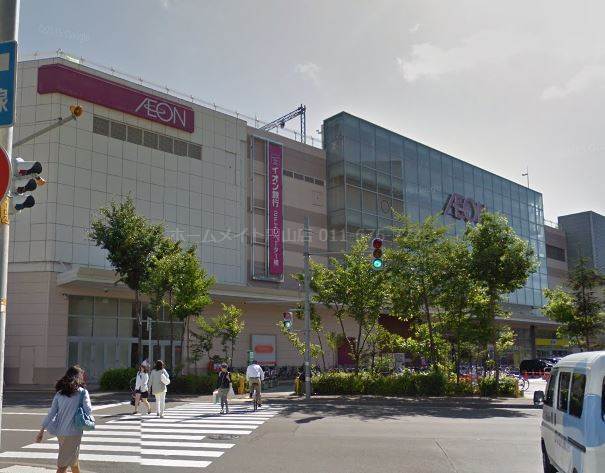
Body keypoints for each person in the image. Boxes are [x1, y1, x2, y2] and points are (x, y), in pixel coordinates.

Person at [36, 365, 92, 473]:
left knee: (74, 462)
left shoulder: (59, 393)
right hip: (74, 432)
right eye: (81, 375)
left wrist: (41, 431)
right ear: (77, 377)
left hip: (61, 432)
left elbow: (51, 413)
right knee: (63, 466)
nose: (83, 377)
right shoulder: (82, 392)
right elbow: (88, 410)